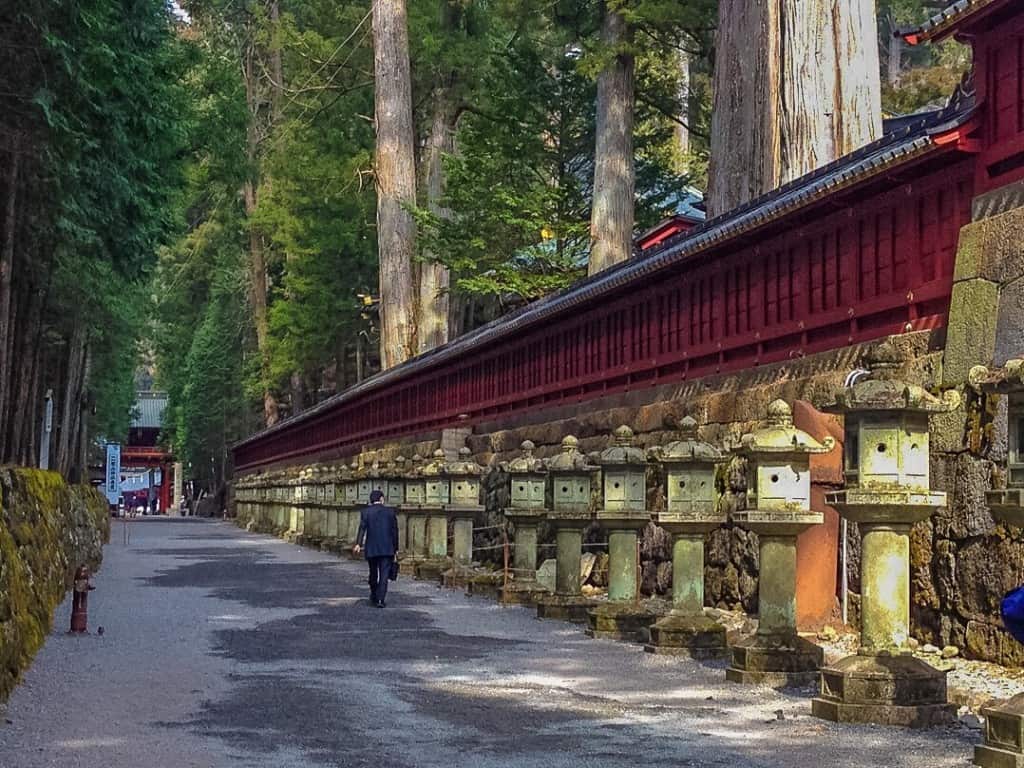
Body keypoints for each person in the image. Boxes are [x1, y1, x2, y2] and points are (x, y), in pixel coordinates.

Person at [353, 489, 399, 608]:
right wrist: (395, 548)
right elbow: (394, 531)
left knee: (373, 573)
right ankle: (380, 599)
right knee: (384, 574)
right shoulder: (390, 512)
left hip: (372, 547)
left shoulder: (366, 512)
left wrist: (358, 544)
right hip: (387, 547)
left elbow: (362, 528)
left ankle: (374, 594)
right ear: (382, 499)